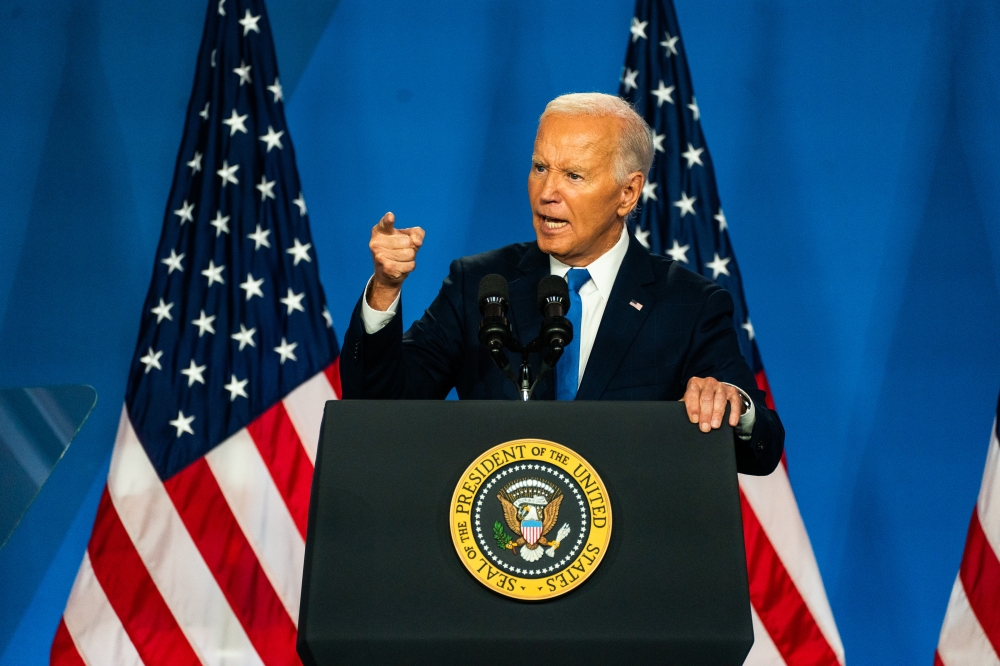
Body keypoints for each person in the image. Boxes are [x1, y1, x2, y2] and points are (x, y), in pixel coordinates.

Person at [340, 92, 782, 475]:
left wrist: (732, 405)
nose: (546, 191)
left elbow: (761, 448)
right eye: (539, 167)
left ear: (627, 194)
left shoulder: (688, 304)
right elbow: (380, 406)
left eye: (573, 175)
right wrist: (385, 289)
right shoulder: (478, 284)